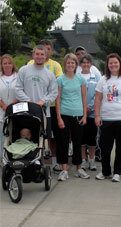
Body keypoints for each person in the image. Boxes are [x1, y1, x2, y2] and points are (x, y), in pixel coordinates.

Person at [94, 53, 121, 182]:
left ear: (120, 64)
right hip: (106, 119)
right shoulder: (103, 79)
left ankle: (117, 172)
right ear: (107, 65)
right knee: (105, 148)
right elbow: (98, 98)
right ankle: (105, 171)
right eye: (110, 63)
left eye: (115, 63)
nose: (113, 65)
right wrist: (97, 115)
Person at [27, 39, 63, 169]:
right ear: (34, 53)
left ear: (51, 51)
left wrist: (44, 100)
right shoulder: (29, 64)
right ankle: (35, 160)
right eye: (43, 49)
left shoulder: (56, 65)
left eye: (48, 49)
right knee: (34, 135)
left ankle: (54, 161)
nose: (44, 52)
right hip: (32, 107)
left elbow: (56, 86)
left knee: (52, 136)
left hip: (51, 106)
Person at [56, 53, 89, 181]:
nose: (70, 65)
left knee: (78, 142)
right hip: (64, 114)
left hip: (78, 114)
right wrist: (58, 117)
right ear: (65, 64)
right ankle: (64, 169)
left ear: (76, 65)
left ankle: (78, 168)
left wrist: (85, 115)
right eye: (68, 62)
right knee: (63, 142)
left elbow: (84, 98)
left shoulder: (81, 79)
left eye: (73, 63)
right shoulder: (60, 79)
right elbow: (57, 99)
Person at [15, 45, 58, 139]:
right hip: (25, 111)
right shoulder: (23, 70)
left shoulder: (50, 74)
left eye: (42, 54)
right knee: (25, 138)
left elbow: (54, 92)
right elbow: (17, 89)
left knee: (42, 140)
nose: (39, 56)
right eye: (37, 54)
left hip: (43, 112)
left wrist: (43, 101)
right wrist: (29, 101)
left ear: (46, 56)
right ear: (33, 55)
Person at [78, 54, 100, 171]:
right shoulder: (77, 77)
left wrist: (90, 107)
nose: (86, 64)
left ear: (91, 64)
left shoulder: (96, 77)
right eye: (83, 62)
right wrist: (82, 107)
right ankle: (83, 160)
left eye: (88, 62)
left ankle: (92, 160)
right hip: (80, 112)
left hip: (92, 112)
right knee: (82, 138)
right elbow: (75, 94)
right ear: (80, 64)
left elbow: (98, 94)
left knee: (92, 138)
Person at [0, 54, 18, 160]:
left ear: (12, 64)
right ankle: (2, 159)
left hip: (15, 110)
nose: (7, 65)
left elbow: (20, 92)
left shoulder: (18, 76)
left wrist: (11, 106)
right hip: (1, 111)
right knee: (2, 137)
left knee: (13, 136)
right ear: (1, 65)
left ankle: (12, 158)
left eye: (9, 63)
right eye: (4, 63)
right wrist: (3, 106)